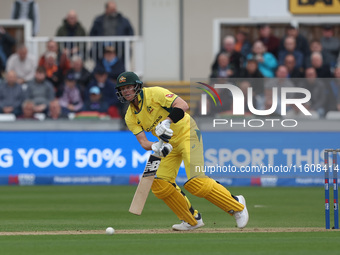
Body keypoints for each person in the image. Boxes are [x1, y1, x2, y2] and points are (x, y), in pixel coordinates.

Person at [115, 71, 249, 231]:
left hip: (188, 133)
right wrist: (155, 146)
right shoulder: (130, 116)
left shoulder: (155, 93)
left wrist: (167, 121)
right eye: (123, 89)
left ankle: (236, 205)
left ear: (137, 86)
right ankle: (191, 220)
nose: (126, 91)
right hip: (168, 143)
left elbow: (183, 105)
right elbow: (143, 142)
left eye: (129, 87)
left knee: (197, 183)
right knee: (160, 185)